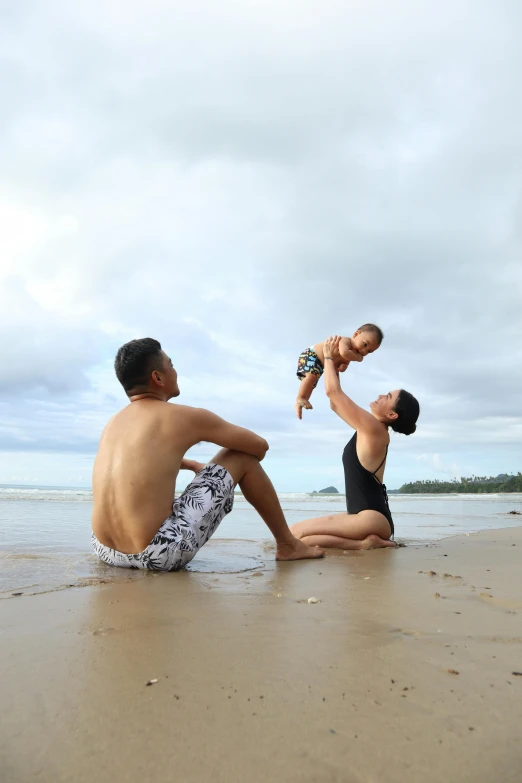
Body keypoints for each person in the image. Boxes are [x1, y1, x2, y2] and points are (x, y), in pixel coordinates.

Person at [91, 338, 323, 571]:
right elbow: (259, 447)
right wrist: (228, 474)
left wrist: (192, 465)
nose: (175, 370)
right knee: (241, 456)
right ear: (157, 378)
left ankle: (287, 543)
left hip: (105, 550)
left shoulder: (114, 422)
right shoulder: (183, 417)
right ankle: (287, 544)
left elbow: (140, 462)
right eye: (171, 364)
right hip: (158, 553)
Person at [291, 335, 419, 550]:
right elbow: (335, 403)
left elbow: (333, 392)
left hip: (371, 518)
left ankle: (366, 542)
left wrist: (329, 358)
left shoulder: (374, 429)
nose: (380, 395)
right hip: (367, 518)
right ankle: (366, 544)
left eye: (387, 396)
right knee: (303, 541)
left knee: (292, 533)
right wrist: (334, 362)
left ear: (392, 414)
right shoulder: (370, 427)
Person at [295, 324, 384, 419]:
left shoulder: (352, 354)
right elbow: (344, 353)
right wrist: (358, 358)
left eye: (369, 351)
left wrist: (343, 366)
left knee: (311, 385)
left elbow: (343, 367)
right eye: (365, 344)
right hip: (311, 354)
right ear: (356, 334)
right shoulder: (345, 341)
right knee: (311, 377)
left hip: (320, 364)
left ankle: (301, 403)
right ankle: (301, 397)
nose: (364, 351)